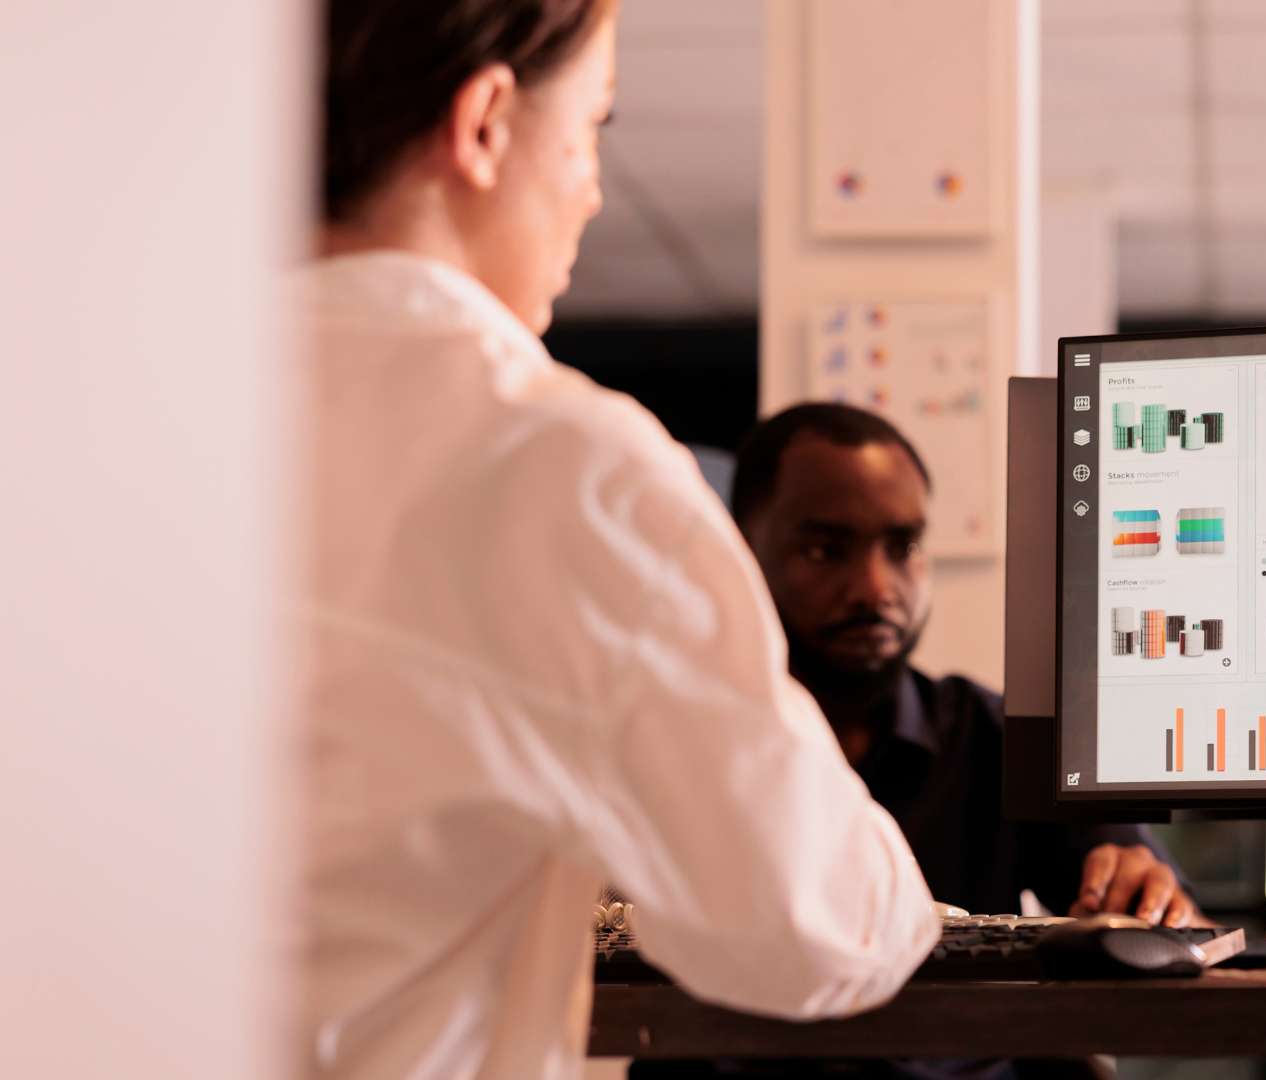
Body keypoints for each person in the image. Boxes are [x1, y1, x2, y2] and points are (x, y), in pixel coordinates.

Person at [299, 2, 937, 1076]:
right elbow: (815, 931)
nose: (592, 188)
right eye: (593, 126)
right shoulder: (555, 462)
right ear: (487, 122)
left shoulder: (89, 416)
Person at [730, 404, 1203, 925]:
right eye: (825, 550)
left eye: (903, 545)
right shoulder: (672, 745)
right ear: (739, 554)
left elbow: (1185, 929)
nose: (876, 589)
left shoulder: (996, 737)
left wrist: (1146, 895)